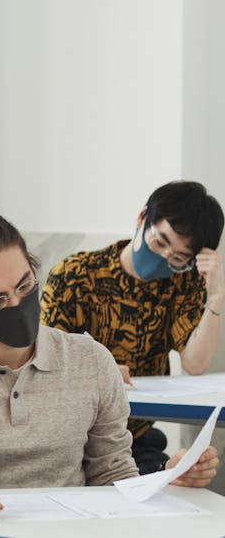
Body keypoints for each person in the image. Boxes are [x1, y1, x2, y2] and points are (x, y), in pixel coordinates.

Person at [0, 213, 219, 522]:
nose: (18, 304)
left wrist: (164, 479)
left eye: (24, 286)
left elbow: (113, 474)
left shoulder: (90, 360)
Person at [41, 181, 224, 474]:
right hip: (68, 434)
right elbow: (44, 360)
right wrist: (99, 368)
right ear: (142, 219)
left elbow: (195, 363)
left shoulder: (183, 282)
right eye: (159, 242)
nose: (164, 258)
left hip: (134, 438)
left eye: (178, 258)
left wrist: (215, 295)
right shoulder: (76, 274)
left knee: (174, 483)